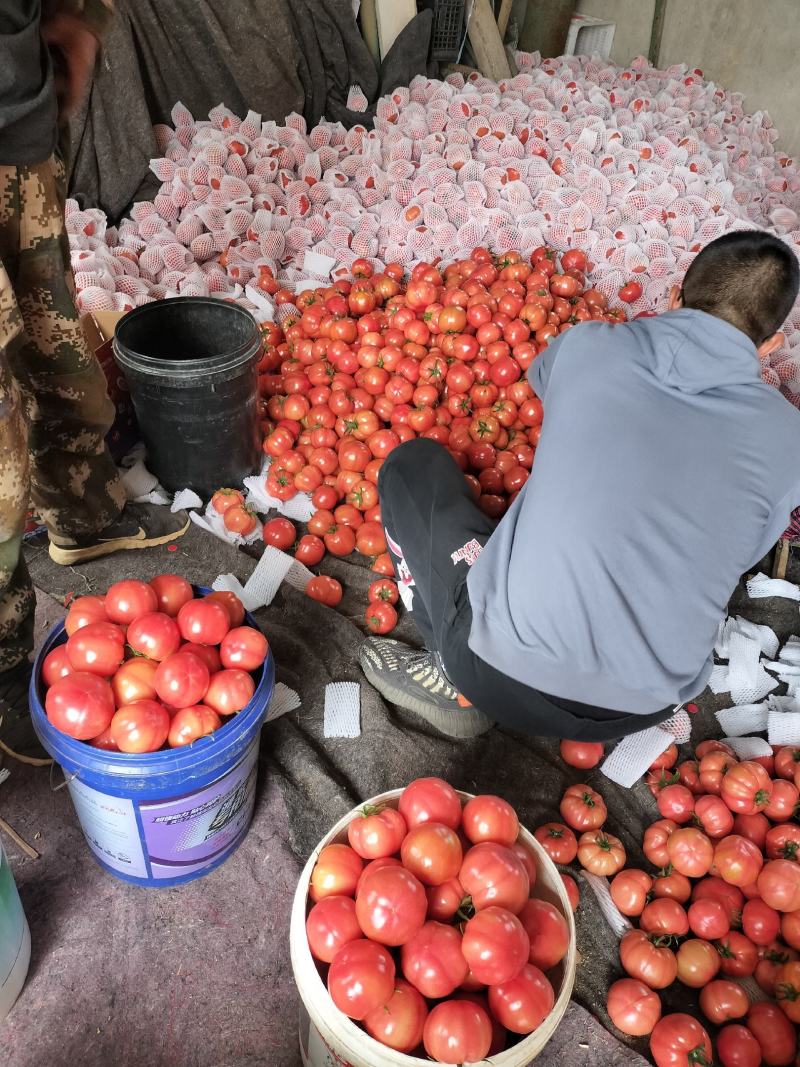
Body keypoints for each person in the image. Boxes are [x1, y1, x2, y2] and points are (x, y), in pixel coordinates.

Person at [360, 231, 800, 740]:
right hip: (645, 707)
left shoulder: (592, 344)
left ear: (674, 295)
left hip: (496, 670)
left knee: (412, 466)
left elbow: (542, 381)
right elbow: (746, 549)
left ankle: (455, 677)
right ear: (769, 345)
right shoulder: (790, 437)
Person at [0, 1, 188, 750]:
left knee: (54, 333)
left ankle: (80, 509)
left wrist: (80, 16)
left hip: (18, 125)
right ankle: (9, 662)